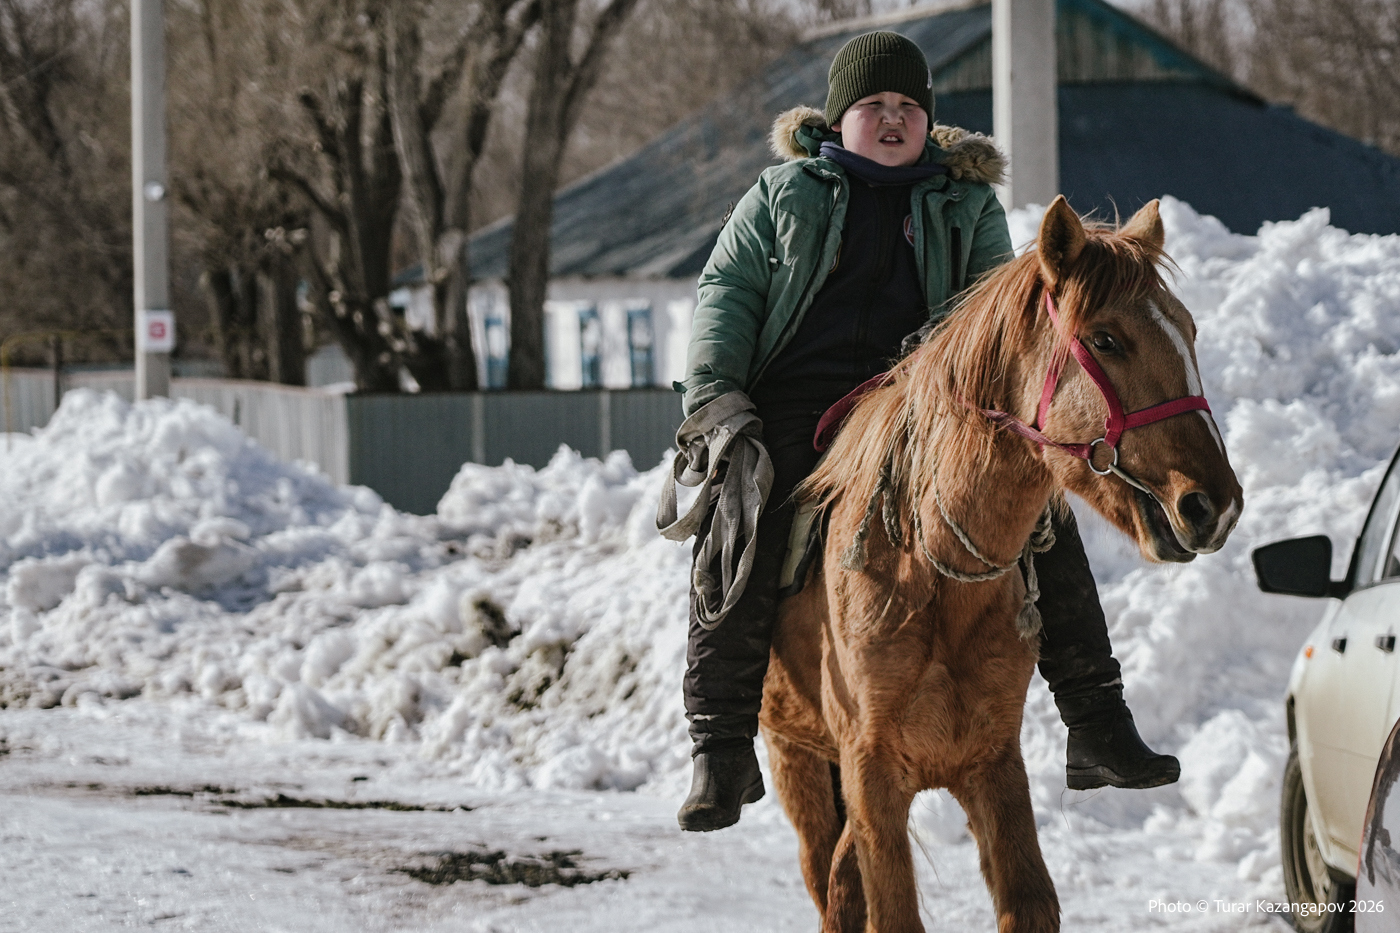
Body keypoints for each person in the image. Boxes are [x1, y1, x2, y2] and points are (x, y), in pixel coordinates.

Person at [672, 31, 1178, 833]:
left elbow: (985, 317)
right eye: (874, 105)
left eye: (909, 106)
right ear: (838, 120)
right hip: (797, 398)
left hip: (919, 405)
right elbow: (727, 291)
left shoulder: (963, 201)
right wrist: (716, 400)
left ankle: (1096, 720)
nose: (894, 118)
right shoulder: (782, 194)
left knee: (1040, 511)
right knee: (749, 522)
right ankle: (722, 742)